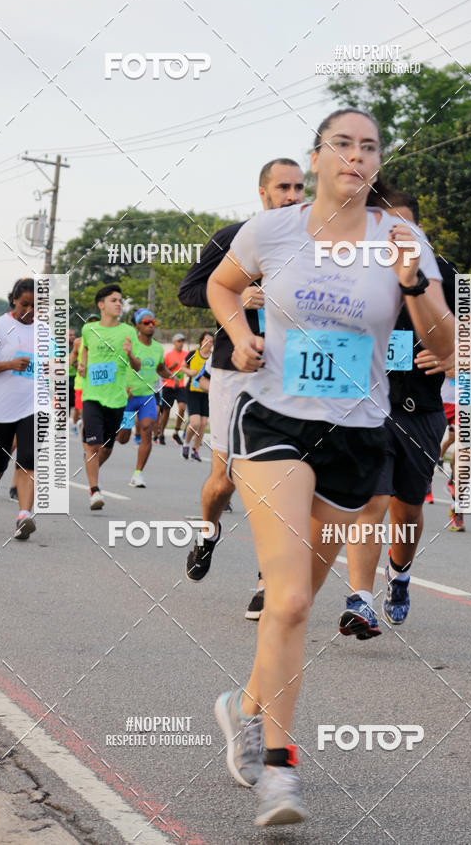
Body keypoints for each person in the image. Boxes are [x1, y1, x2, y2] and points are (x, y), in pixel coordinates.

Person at [208, 110, 453, 826]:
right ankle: (281, 774)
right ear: (316, 158)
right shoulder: (273, 231)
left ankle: (242, 708)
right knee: (284, 600)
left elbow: (444, 340)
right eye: (341, 144)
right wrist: (239, 335)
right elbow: (224, 287)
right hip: (275, 420)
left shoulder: (400, 240)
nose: (355, 155)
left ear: (378, 163)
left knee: (300, 602)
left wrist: (412, 284)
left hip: (357, 433)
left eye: (368, 146)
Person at [178, 157, 305, 616]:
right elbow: (191, 291)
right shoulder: (236, 236)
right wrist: (240, 291)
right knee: (225, 481)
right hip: (236, 370)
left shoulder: (314, 239)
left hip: (292, 372)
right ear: (263, 192)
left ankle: (266, 580)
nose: (293, 195)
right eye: (283, 187)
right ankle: (207, 534)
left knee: (278, 479)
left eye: (299, 187)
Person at [338, 192, 456, 639]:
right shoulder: (351, 268)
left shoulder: (444, 272)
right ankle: (361, 601)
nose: (394, 234)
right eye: (382, 225)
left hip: (420, 408)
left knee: (406, 512)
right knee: (372, 500)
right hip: (366, 403)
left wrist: (451, 355)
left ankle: (400, 575)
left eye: (403, 226)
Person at [0, 278, 37, 539]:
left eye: (36, 306)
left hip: (32, 406)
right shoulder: (0, 327)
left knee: (29, 458)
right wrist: (10, 364)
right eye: (25, 304)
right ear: (13, 299)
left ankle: (24, 515)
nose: (30, 311)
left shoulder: (45, 330)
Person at [78, 284, 140, 510]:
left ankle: (91, 468)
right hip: (92, 395)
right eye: (114, 300)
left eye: (120, 301)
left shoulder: (129, 332)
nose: (118, 304)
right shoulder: (89, 330)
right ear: (101, 305)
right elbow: (84, 347)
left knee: (106, 449)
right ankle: (94, 491)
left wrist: (130, 353)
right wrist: (82, 362)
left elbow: (138, 366)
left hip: (117, 399)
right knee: (93, 446)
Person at [116, 308, 173, 487]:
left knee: (147, 428)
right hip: (127, 397)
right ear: (137, 326)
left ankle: (137, 474)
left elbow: (160, 367)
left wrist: (173, 376)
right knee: (123, 438)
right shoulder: (129, 344)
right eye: (146, 323)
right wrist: (121, 387)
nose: (150, 326)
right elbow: (116, 366)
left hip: (147, 395)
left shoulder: (157, 347)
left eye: (153, 323)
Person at [182, 331, 214, 461]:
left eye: (211, 341)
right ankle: (186, 443)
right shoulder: (193, 354)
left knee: (203, 423)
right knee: (195, 422)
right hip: (193, 391)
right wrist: (190, 372)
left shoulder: (213, 357)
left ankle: (196, 450)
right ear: (201, 341)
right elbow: (183, 367)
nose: (209, 343)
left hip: (206, 393)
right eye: (206, 340)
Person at [158, 334, 189, 444]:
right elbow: (162, 372)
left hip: (180, 386)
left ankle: (176, 432)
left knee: (182, 407)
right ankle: (161, 434)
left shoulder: (186, 355)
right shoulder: (168, 355)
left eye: (182, 341)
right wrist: (172, 367)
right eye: (179, 341)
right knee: (166, 411)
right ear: (174, 342)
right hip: (168, 386)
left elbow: (189, 367)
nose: (181, 343)